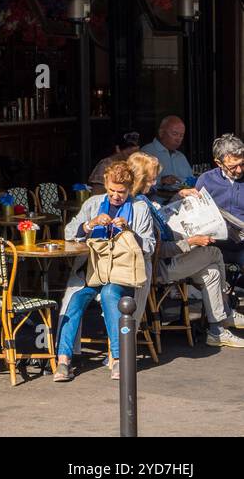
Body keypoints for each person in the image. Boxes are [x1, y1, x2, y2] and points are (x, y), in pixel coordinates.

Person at [129, 152, 244, 348]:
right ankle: (224, 316)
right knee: (214, 253)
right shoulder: (139, 206)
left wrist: (178, 196)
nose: (155, 181)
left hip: (167, 259)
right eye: (152, 177)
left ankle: (217, 330)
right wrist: (191, 241)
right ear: (141, 178)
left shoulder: (143, 199)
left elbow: (163, 218)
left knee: (211, 272)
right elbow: (160, 249)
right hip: (159, 267)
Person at [53, 160, 155, 382]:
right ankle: (63, 361)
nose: (115, 196)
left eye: (121, 192)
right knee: (75, 299)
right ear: (106, 185)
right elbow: (69, 233)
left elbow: (150, 246)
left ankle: (118, 359)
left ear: (130, 189)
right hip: (93, 270)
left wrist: (129, 231)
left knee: (109, 294)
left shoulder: (139, 208)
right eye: (111, 190)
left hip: (122, 272)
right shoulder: (93, 203)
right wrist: (89, 225)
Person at [195, 133, 244, 271]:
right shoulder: (206, 180)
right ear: (219, 163)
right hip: (215, 245)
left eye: (242, 164)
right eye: (233, 166)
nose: (239, 170)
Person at [142, 115, 193, 188]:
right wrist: (161, 181)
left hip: (182, 198)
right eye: (175, 134)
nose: (178, 139)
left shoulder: (181, 157)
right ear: (161, 133)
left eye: (181, 135)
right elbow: (138, 182)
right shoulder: (147, 152)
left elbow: (191, 180)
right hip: (156, 199)